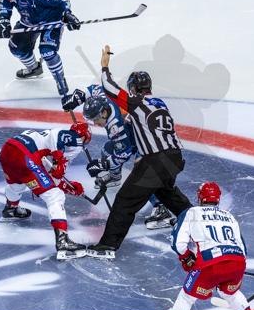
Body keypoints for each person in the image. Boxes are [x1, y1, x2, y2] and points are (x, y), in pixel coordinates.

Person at [86, 45, 193, 259]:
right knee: (170, 197)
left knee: (125, 201)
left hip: (155, 161)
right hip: (174, 158)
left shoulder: (137, 103)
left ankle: (108, 245)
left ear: (133, 88)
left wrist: (104, 66)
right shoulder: (159, 104)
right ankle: (201, 223)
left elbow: (109, 87)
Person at [158, 182, 254, 310]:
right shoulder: (229, 216)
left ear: (200, 197)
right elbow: (243, 248)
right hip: (237, 262)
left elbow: (178, 243)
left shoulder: (192, 212)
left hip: (209, 264)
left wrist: (186, 258)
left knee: (186, 297)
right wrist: (232, 266)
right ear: (218, 198)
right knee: (231, 293)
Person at [61, 86, 177, 229]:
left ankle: (161, 208)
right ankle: (115, 176)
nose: (96, 124)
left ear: (104, 112)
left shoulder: (116, 127)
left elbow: (123, 154)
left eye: (97, 119)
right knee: (107, 149)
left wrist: (103, 164)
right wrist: (77, 98)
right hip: (137, 132)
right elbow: (95, 88)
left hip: (149, 140)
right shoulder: (104, 99)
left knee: (143, 172)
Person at [0, 123, 91, 260]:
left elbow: (50, 177)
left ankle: (11, 208)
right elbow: (58, 136)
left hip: (8, 149)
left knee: (18, 182)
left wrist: (69, 187)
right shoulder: (75, 140)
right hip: (25, 156)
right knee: (55, 196)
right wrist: (59, 159)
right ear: (84, 137)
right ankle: (63, 241)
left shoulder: (44, 139)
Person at [0, 0, 82, 102]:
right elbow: (5, 6)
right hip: (28, 21)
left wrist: (67, 14)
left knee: (47, 52)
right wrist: (3, 20)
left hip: (50, 22)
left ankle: (60, 80)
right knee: (16, 48)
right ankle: (34, 69)